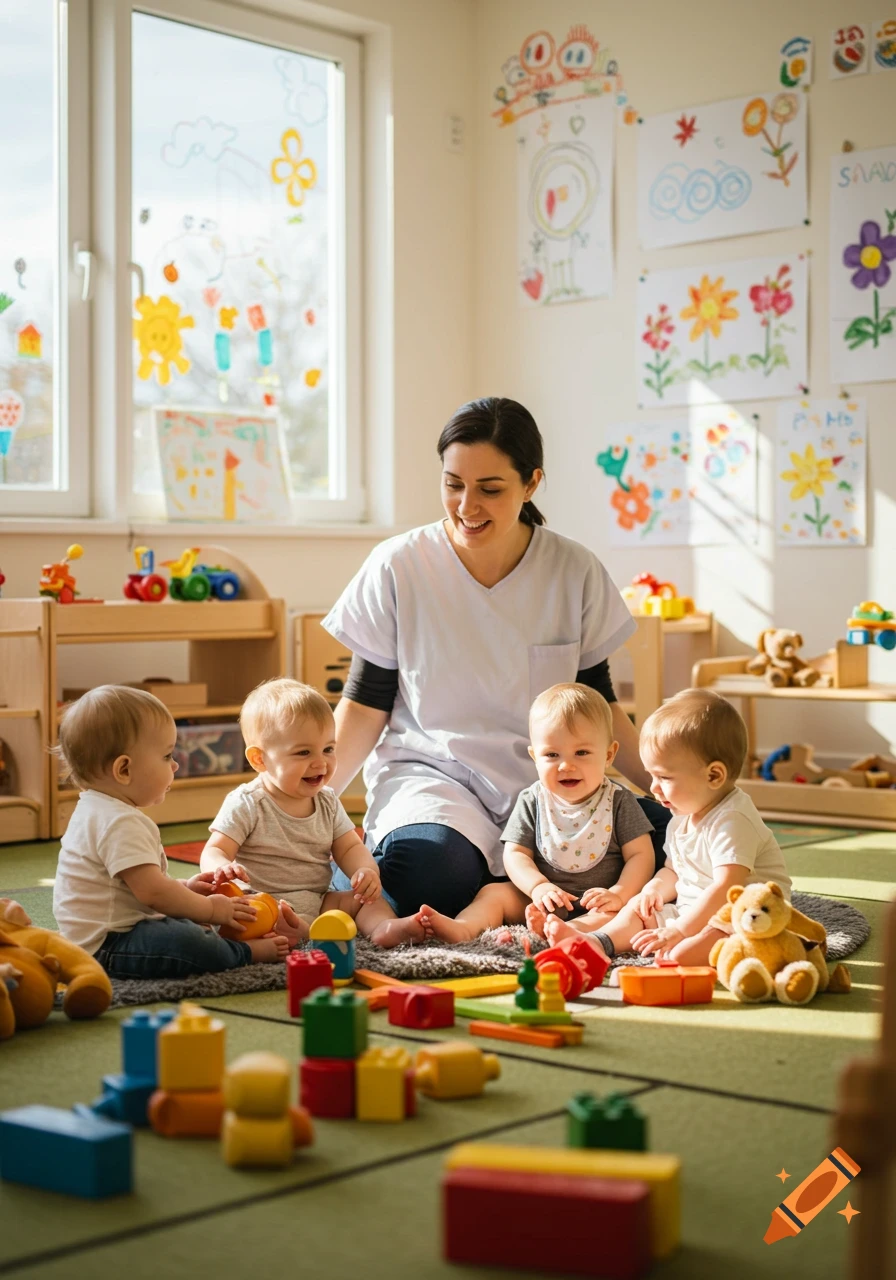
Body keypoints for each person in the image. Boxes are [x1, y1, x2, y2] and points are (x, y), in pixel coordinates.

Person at [323, 396, 670, 920]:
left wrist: (670, 787)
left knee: (675, 837)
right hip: (433, 778)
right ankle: (515, 880)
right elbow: (366, 702)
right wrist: (306, 807)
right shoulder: (398, 565)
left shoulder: (572, 569)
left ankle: (512, 881)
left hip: (551, 781)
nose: (466, 506)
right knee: (428, 872)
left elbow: (598, 703)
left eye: (490, 489)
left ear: (531, 483)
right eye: (453, 484)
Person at [52, 686, 288, 979]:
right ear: (124, 769)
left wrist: (185, 889)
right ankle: (243, 954)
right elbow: (153, 893)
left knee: (188, 922)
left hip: (99, 937)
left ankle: (210, 931)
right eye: (166, 756)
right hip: (108, 947)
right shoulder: (119, 822)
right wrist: (211, 910)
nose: (176, 765)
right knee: (189, 940)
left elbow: (135, 886)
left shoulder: (94, 809)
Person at [545, 688, 793, 967]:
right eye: (652, 775)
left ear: (713, 775)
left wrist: (680, 932)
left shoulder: (733, 819)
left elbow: (727, 886)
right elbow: (673, 870)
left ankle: (696, 956)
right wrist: (652, 892)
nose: (653, 787)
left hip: (747, 915)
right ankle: (598, 942)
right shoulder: (682, 816)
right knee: (636, 910)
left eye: (663, 777)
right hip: (692, 911)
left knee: (680, 954)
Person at [200, 678, 430, 949]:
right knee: (248, 918)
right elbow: (214, 851)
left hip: (320, 899)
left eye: (328, 749)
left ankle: (383, 928)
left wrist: (365, 871)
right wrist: (222, 868)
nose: (320, 762)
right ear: (259, 759)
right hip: (264, 902)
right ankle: (302, 932)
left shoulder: (327, 801)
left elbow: (348, 847)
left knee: (365, 901)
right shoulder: (248, 802)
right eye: (304, 752)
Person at [416, 684, 655, 941]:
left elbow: (641, 855)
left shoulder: (618, 801)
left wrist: (619, 893)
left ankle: (570, 933)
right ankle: (463, 927)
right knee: (494, 894)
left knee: (621, 915)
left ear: (609, 755)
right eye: (552, 754)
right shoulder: (533, 800)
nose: (566, 765)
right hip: (541, 899)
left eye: (582, 752)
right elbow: (516, 853)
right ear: (534, 756)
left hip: (599, 902)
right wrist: (538, 886)